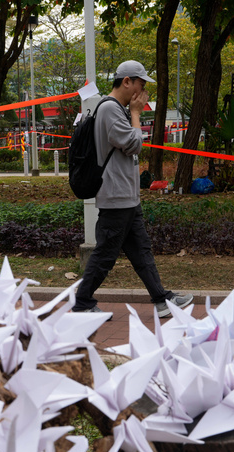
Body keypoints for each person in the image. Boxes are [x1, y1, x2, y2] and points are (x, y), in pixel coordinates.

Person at [71, 60, 193, 319]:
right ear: (127, 81)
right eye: (141, 84)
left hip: (126, 197)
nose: (143, 92)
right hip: (116, 197)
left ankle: (161, 299)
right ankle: (82, 302)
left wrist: (133, 114)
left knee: (141, 250)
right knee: (105, 254)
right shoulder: (109, 109)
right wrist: (136, 114)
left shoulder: (116, 109)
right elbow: (133, 143)